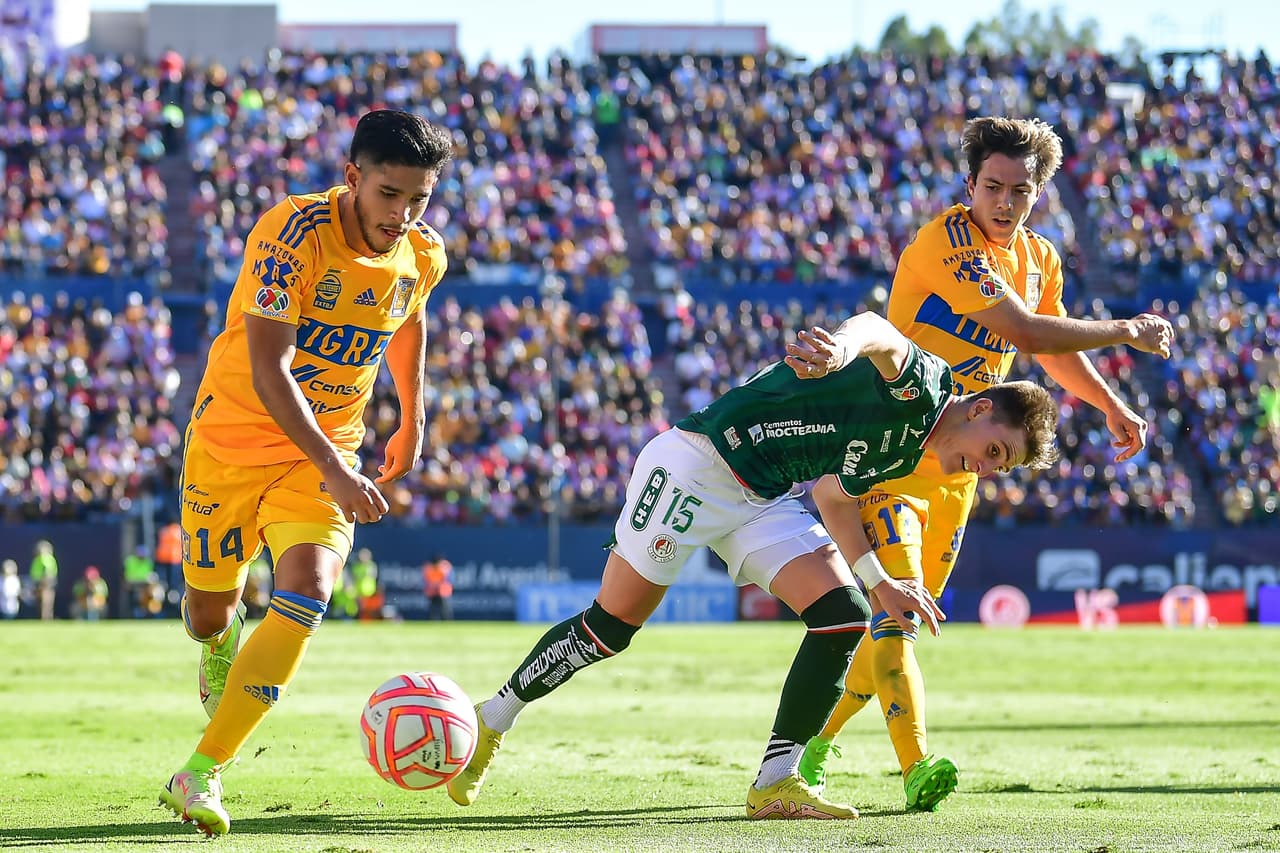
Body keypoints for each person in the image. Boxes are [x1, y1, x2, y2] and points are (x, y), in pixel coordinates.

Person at [446, 311, 1060, 819]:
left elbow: (833, 499)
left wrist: (881, 584)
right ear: (979, 410)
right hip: (696, 466)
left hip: (761, 497)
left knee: (844, 616)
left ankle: (776, 783)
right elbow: (880, 329)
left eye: (998, 468)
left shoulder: (906, 451)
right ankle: (492, 720)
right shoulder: (925, 388)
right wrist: (840, 350)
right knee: (611, 628)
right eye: (994, 453)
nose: (982, 470)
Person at [793, 116, 1175, 812]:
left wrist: (1112, 404)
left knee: (899, 621)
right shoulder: (947, 243)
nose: (1004, 201)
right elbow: (1023, 331)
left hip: (960, 474)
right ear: (969, 184)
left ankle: (811, 744)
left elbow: (1051, 351)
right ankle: (916, 768)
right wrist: (1125, 328)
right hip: (895, 455)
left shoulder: (1039, 259)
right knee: (895, 614)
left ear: (1039, 194)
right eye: (992, 186)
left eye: (1020, 190)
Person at [158, 109, 454, 837]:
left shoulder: (421, 250)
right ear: (353, 177)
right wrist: (341, 468)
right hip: (229, 444)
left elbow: (409, 316)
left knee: (310, 590)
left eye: (420, 198)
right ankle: (219, 643)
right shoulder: (291, 234)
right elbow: (269, 369)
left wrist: (412, 416)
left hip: (317, 460)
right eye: (390, 194)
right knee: (207, 612)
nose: (404, 214)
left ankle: (201, 769)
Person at [29, 540, 57, 621]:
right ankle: (42, 619)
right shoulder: (37, 559)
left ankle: (46, 620)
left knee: (46, 604)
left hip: (46, 585)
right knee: (40, 604)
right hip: (38, 584)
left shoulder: (47, 559)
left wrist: (44, 585)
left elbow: (48, 573)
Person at [422, 554, 454, 620]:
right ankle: (433, 623)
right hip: (432, 592)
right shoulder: (428, 568)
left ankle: (447, 624)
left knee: (445, 610)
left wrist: (438, 584)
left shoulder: (445, 566)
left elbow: (448, 579)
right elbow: (426, 580)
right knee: (433, 610)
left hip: (443, 592)